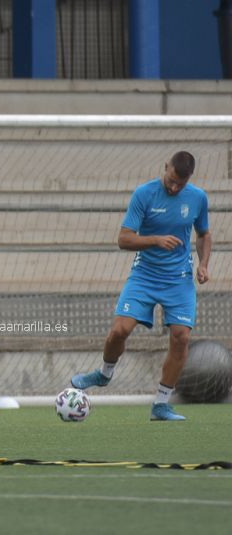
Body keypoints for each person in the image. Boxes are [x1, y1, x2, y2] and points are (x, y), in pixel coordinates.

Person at [70, 151, 211, 421]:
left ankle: (161, 404)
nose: (173, 187)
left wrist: (203, 265)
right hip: (144, 275)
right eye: (170, 180)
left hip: (179, 279)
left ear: (188, 180)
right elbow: (123, 239)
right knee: (119, 331)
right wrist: (156, 240)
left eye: (179, 184)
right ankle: (104, 373)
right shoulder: (144, 194)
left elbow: (204, 234)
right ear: (165, 167)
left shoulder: (198, 198)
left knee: (181, 337)